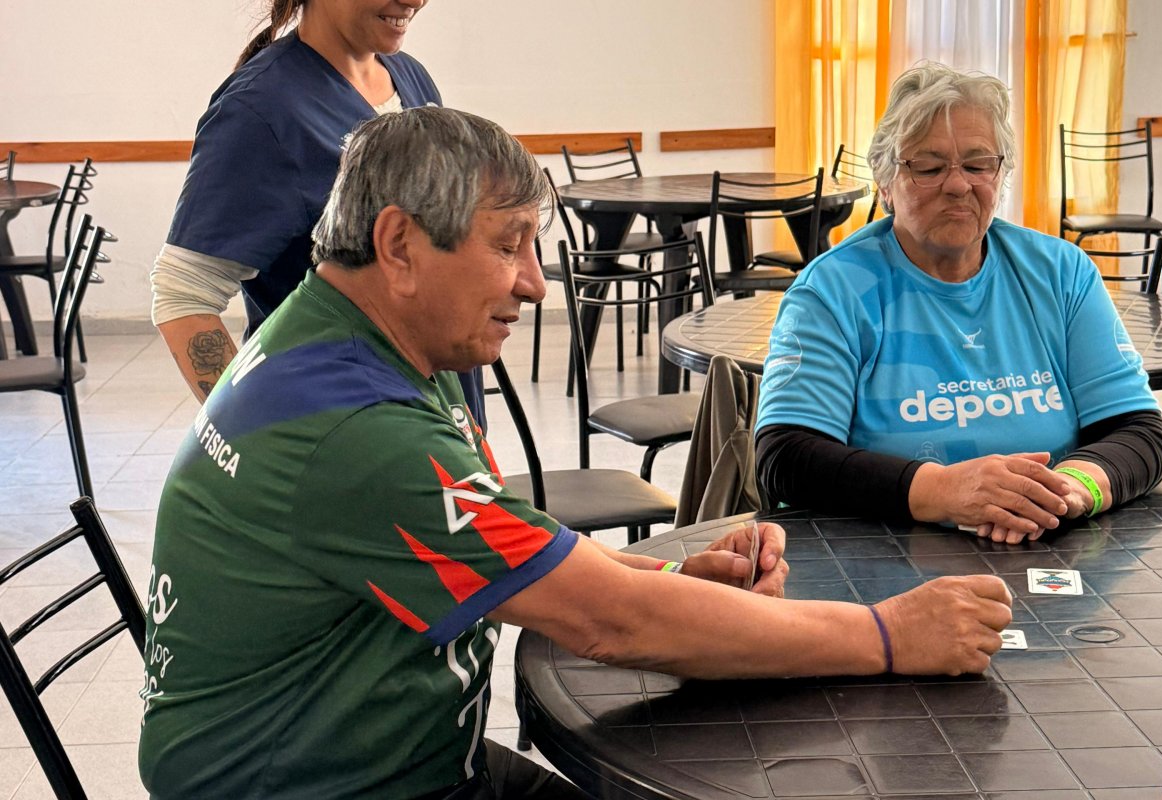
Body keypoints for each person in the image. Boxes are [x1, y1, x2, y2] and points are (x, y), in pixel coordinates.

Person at [139, 108, 1014, 800]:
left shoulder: (339, 340)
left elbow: (529, 560)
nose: (533, 282)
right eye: (507, 244)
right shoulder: (358, 430)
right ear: (399, 245)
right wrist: (887, 634)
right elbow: (609, 622)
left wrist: (676, 582)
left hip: (362, 757)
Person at [756, 62, 1162, 545]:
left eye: (977, 165)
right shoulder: (833, 290)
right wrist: (944, 490)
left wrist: (1067, 491)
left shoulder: (1061, 273)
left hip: (1049, 545)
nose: (958, 185)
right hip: (886, 558)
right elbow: (785, 457)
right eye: (929, 167)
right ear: (886, 184)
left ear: (1000, 175)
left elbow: (1140, 432)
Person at [150, 0, 487, 426]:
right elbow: (183, 294)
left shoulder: (409, 77)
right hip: (345, 425)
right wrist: (258, 436)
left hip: (439, 415)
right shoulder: (261, 109)